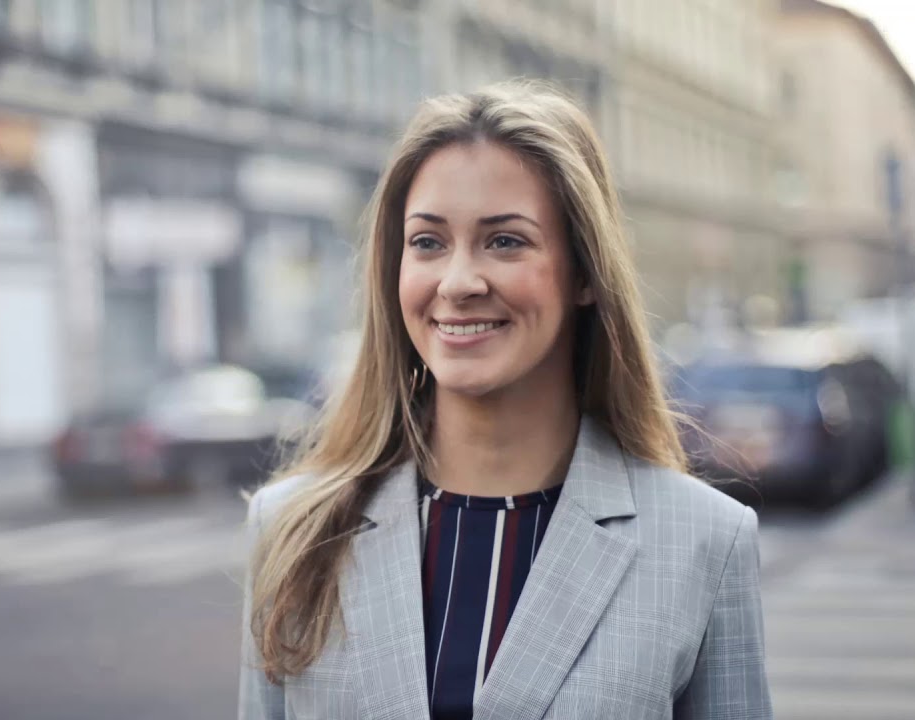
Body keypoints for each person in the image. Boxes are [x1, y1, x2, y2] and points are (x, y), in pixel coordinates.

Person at [239, 81, 772, 720]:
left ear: (582, 273)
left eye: (505, 241)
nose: (459, 282)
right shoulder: (293, 529)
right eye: (428, 242)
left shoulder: (705, 540)